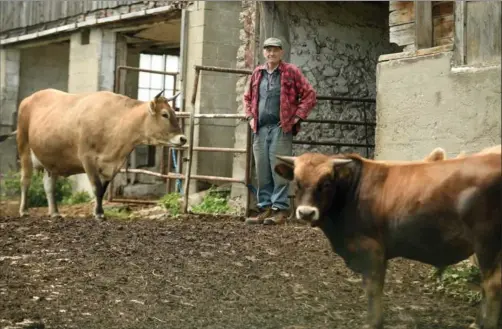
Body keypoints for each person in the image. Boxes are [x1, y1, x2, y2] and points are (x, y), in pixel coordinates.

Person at [243, 37, 317, 225]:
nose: (271, 53)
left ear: (281, 52)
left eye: (275, 50)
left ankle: (280, 210)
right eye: (268, 50)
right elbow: (247, 97)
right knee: (262, 170)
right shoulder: (257, 73)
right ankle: (265, 207)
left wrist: (297, 118)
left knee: (279, 169)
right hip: (260, 129)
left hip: (280, 128)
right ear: (264, 52)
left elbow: (309, 94)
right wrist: (251, 118)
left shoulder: (291, 71)